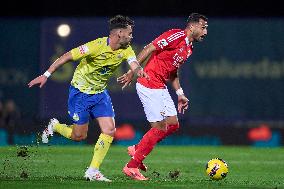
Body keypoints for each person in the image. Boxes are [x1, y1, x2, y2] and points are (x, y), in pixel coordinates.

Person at [28, 15, 148, 182]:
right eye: (129, 33)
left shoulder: (126, 49)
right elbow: (66, 57)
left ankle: (93, 170)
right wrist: (46, 75)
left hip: (100, 94)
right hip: (80, 94)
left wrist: (139, 71)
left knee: (109, 130)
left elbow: (134, 63)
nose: (131, 36)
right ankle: (55, 126)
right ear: (119, 33)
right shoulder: (95, 46)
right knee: (79, 136)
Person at [117, 13, 208, 180]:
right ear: (192, 27)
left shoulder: (189, 49)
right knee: (159, 127)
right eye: (203, 27)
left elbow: (173, 72)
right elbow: (149, 48)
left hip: (160, 86)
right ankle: (131, 166)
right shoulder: (176, 35)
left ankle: (137, 148)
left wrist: (180, 93)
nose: (205, 32)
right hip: (148, 83)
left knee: (173, 125)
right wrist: (133, 71)